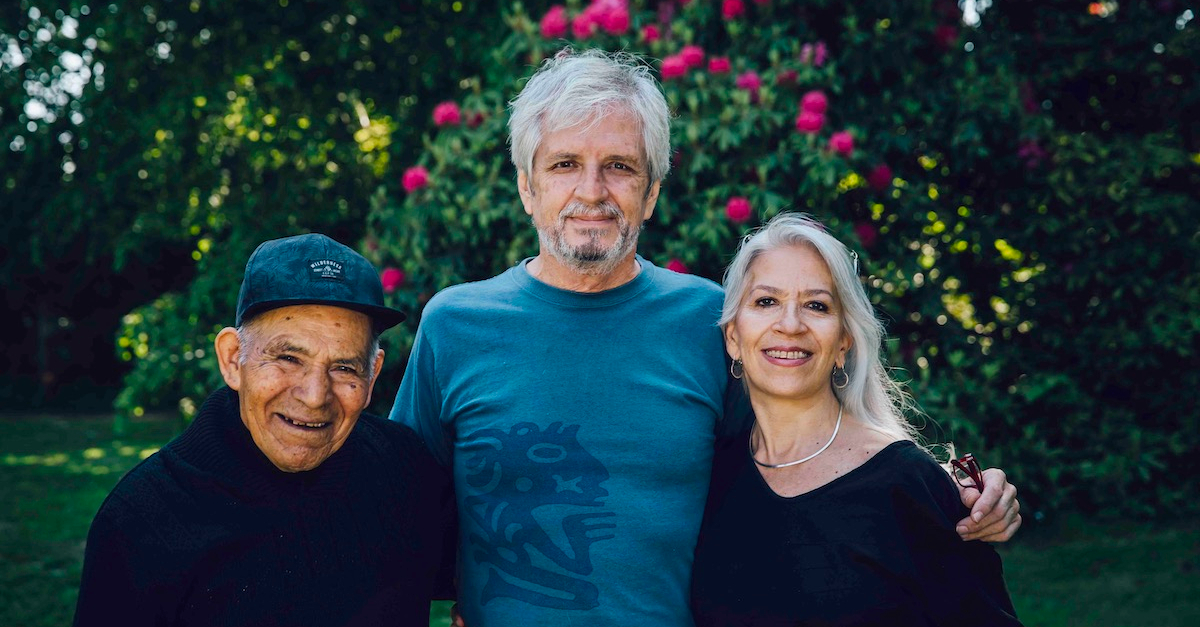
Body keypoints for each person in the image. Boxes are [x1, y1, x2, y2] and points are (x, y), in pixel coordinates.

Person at [392, 49, 1020, 627]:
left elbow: (797, 449)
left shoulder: (710, 322)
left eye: (619, 167)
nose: (591, 191)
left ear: (651, 193)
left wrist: (937, 491)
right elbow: (397, 508)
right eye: (563, 165)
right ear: (528, 188)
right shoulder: (455, 326)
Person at [74, 234, 453, 627]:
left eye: (344, 367)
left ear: (372, 376)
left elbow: (494, 567)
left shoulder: (404, 470)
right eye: (288, 358)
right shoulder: (143, 519)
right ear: (233, 359)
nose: (314, 396)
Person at [690, 213, 1021, 626]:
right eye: (766, 301)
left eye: (816, 305)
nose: (790, 324)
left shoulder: (907, 484)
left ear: (843, 342)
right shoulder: (710, 472)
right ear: (733, 337)